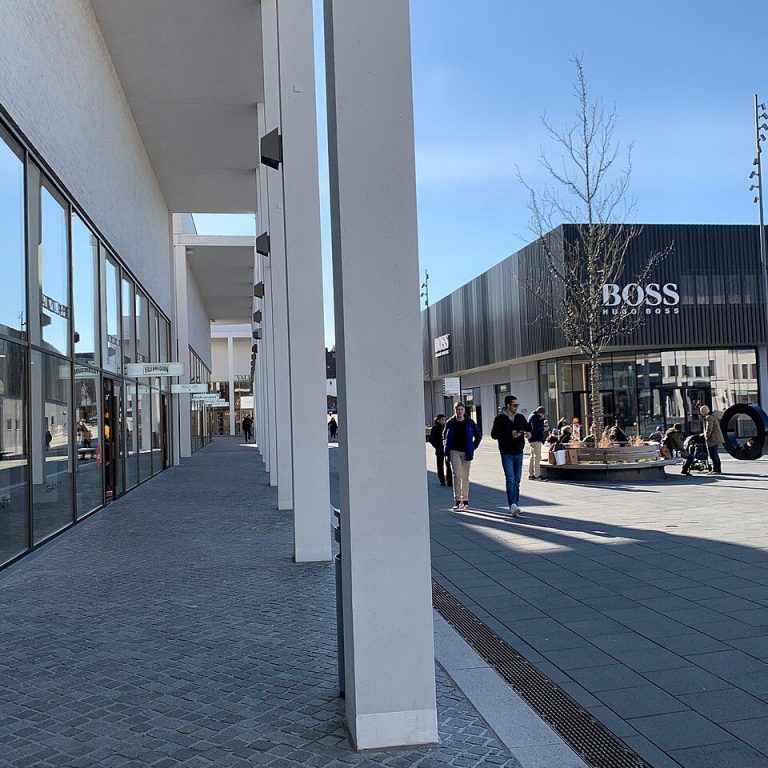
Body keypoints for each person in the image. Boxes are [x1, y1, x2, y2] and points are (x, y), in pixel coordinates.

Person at [490, 395, 530, 517]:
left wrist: (528, 433)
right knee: (510, 479)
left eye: (517, 405)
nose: (516, 407)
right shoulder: (500, 419)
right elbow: (494, 434)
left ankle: (515, 504)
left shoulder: (520, 417)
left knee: (517, 480)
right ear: (508, 405)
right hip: (506, 453)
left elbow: (528, 427)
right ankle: (512, 504)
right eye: (514, 405)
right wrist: (509, 434)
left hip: (518, 452)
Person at [443, 402, 482, 511]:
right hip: (454, 451)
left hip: (466, 452)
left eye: (461, 409)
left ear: (464, 410)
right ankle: (457, 500)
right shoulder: (450, 422)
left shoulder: (469, 422)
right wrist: (446, 448)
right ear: (454, 410)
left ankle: (465, 500)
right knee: (457, 475)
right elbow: (444, 435)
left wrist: (473, 447)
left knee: (465, 476)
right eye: (457, 409)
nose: (459, 412)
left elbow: (478, 435)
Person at [428, 414, 452, 487]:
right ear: (438, 420)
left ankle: (449, 481)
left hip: (447, 449)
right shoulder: (435, 428)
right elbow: (431, 439)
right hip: (439, 450)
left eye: (444, 419)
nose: (443, 421)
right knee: (440, 465)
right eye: (442, 419)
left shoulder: (447, 427)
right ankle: (442, 480)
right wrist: (437, 446)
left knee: (448, 465)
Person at [700, 405, 723, 474]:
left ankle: (716, 470)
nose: (701, 413)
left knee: (713, 455)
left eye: (701, 411)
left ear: (704, 411)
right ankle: (718, 469)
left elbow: (709, 429)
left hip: (713, 439)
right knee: (715, 454)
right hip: (715, 438)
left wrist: (706, 437)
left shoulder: (708, 418)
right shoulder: (712, 417)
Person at [528, 406, 547, 480]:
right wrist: (543, 424)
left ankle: (531, 474)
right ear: (541, 413)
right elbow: (537, 428)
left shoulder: (531, 416)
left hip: (531, 439)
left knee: (532, 457)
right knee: (537, 457)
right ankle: (537, 475)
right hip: (537, 439)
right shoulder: (536, 417)